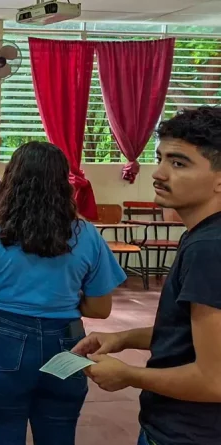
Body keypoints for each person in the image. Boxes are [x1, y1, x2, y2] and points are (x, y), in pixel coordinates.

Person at [0, 141, 126, 445]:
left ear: (11, 181)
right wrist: (64, 299)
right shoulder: (86, 236)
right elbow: (101, 308)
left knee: (2, 431)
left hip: (2, 343)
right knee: (58, 433)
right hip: (68, 344)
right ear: (63, 184)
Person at [73, 106, 221, 445]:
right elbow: (189, 335)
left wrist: (130, 375)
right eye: (161, 159)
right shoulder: (200, 236)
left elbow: (214, 380)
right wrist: (124, 339)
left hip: (188, 432)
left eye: (179, 163)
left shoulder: (210, 249)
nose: (159, 173)